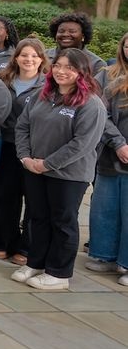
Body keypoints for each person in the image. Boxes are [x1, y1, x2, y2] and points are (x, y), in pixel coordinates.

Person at [13, 48, 108, 290]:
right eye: (57, 66)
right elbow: (22, 126)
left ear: (82, 72)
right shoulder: (43, 95)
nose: (61, 71)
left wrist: (47, 164)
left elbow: (82, 144)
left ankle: (59, 273)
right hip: (34, 168)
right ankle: (36, 263)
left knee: (63, 222)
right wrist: (25, 157)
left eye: (69, 67)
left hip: (68, 174)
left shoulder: (91, 104)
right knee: (38, 218)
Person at [0, 38, 46, 263]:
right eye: (24, 55)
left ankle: (25, 247)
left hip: (34, 149)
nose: (28, 59)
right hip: (5, 145)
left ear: (41, 60)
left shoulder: (48, 84)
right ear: (16, 58)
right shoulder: (2, 80)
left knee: (33, 199)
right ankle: (3, 243)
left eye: (34, 56)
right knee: (4, 196)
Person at [88, 33, 128, 281]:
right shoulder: (109, 77)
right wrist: (119, 143)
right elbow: (100, 114)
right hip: (111, 156)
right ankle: (106, 255)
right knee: (106, 208)